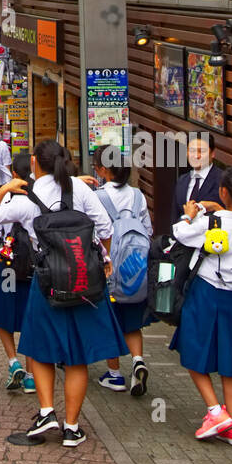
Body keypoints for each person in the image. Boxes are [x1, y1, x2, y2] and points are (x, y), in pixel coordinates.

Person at [0, 140, 122, 449]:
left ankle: (46, 412)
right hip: (85, 282)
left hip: (46, 282)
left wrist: (8, 187)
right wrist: (104, 261)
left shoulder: (28, 197)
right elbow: (106, 227)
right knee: (78, 357)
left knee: (41, 348)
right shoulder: (80, 189)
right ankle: (72, 428)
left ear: (35, 162)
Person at [169, 166, 232, 446]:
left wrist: (190, 213)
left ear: (223, 191)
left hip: (206, 293)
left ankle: (214, 411)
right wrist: (219, 207)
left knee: (192, 348)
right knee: (230, 361)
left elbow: (179, 233)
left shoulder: (211, 223)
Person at [0, 152, 36, 396]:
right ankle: (32, 377)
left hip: (9, 265)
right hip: (33, 267)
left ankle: (13, 362)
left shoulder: (5, 201)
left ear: (13, 175)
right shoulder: (39, 200)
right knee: (31, 317)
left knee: (4, 313)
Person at [94, 157, 152, 397]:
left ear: (104, 170)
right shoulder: (138, 195)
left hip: (108, 267)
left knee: (109, 321)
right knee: (132, 320)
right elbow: (147, 230)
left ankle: (114, 374)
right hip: (134, 266)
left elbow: (94, 232)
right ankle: (138, 360)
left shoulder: (98, 196)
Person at [171, 133, 223, 227]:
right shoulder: (182, 181)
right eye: (192, 151)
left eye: (201, 151)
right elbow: (175, 217)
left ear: (213, 153)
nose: (196, 156)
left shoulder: (222, 180)